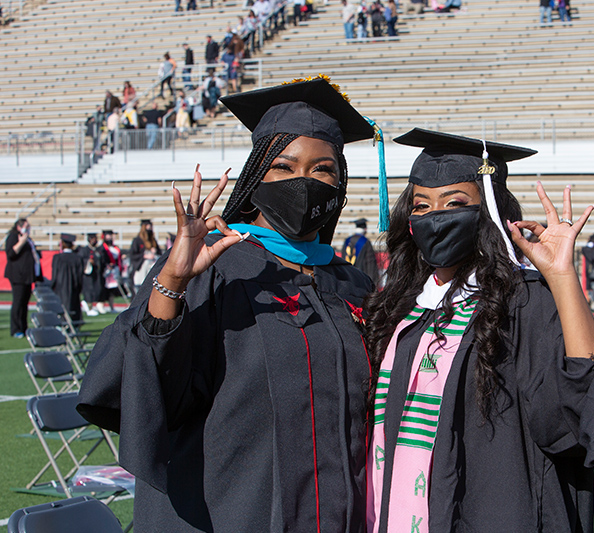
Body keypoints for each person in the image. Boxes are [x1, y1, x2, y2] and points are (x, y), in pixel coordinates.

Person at [77, 76, 378, 531]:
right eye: (283, 166)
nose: (305, 180)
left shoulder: (352, 285)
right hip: (231, 510)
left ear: (340, 184)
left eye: (323, 170)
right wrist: (172, 283)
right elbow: (145, 389)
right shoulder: (213, 267)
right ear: (257, 175)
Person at [363, 129, 594, 532]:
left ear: (487, 211)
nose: (435, 217)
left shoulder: (521, 301)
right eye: (422, 205)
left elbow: (584, 408)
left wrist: (561, 277)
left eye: (455, 203)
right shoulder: (400, 308)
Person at [4, 218, 41, 338]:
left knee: (25, 302)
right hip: (17, 275)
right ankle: (15, 329)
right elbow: (10, 254)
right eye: (26, 226)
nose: (28, 228)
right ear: (19, 227)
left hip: (27, 276)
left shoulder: (27, 238)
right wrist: (21, 242)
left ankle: (23, 327)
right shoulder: (13, 237)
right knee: (18, 301)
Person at [51, 233, 85, 322]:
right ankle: (74, 324)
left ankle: (62, 323)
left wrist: (52, 286)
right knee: (73, 305)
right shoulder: (77, 258)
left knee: (61, 305)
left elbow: (54, 275)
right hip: (74, 287)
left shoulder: (57, 257)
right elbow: (80, 275)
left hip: (60, 287)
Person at [342, 218, 379, 285]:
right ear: (365, 229)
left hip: (347, 277)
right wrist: (372, 281)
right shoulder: (365, 242)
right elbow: (370, 263)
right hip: (361, 278)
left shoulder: (347, 241)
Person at [79, 232, 108, 317]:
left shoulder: (100, 250)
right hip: (89, 276)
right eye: (92, 239)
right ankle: (89, 307)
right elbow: (80, 261)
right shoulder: (84, 250)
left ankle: (99, 306)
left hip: (98, 274)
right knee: (89, 291)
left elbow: (104, 260)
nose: (93, 241)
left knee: (99, 289)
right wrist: (88, 262)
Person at [129, 219, 162, 292]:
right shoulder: (137, 240)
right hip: (141, 267)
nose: (149, 228)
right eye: (147, 226)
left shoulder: (153, 240)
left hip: (151, 265)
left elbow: (159, 253)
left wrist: (154, 252)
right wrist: (144, 256)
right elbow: (133, 255)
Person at [100, 229, 124, 313]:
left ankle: (111, 306)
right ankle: (101, 305)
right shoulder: (102, 248)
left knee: (112, 290)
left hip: (114, 271)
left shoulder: (115, 248)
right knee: (104, 289)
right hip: (106, 271)